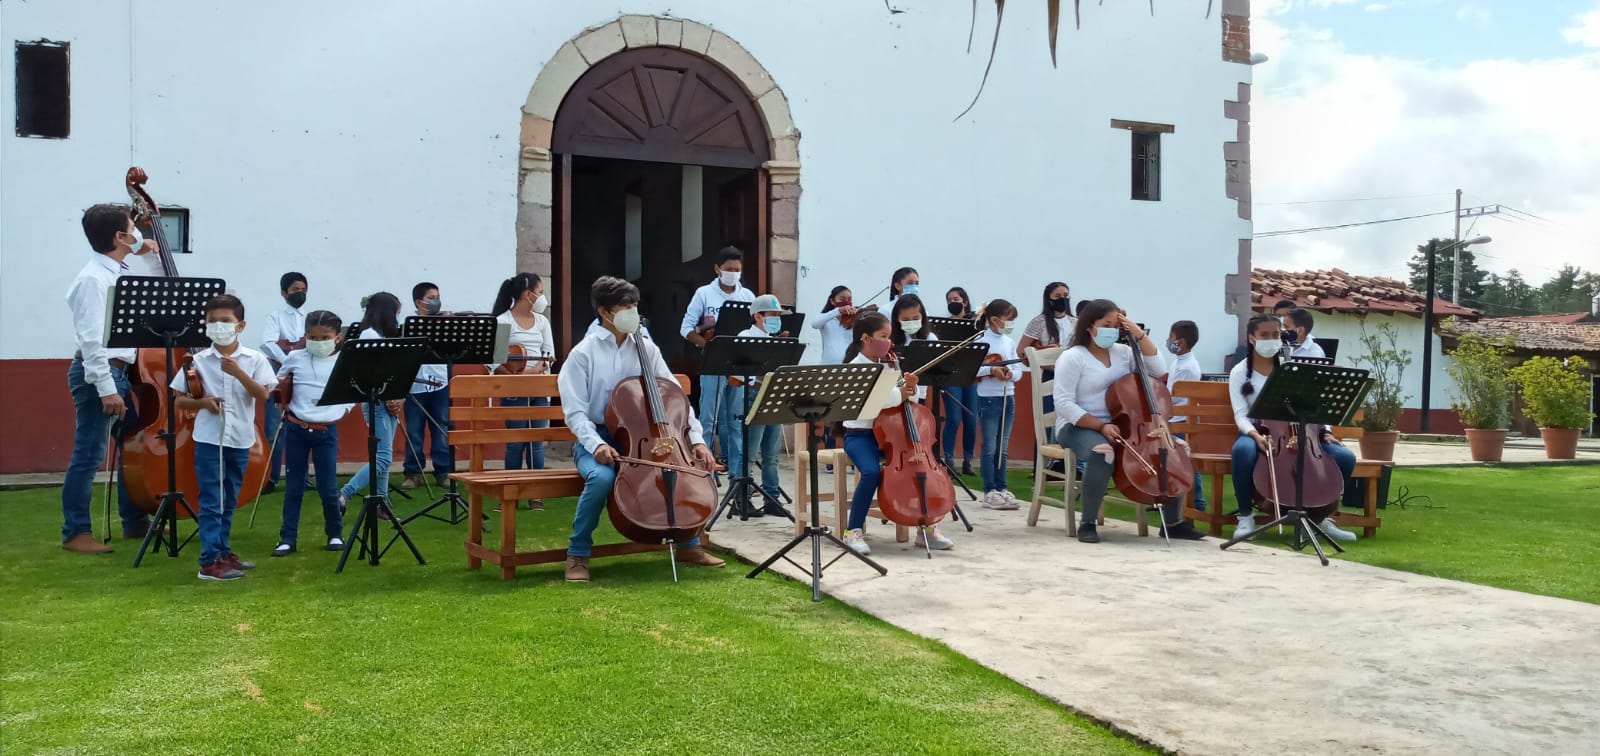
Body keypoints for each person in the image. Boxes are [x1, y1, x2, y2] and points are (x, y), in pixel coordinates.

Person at [559, 276, 726, 582]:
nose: (633, 312)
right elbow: (575, 413)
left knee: (692, 470)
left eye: (635, 305)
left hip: (649, 436)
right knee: (600, 479)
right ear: (604, 311)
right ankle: (578, 552)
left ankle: (689, 544)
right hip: (600, 437)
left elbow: (676, 397)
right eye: (626, 306)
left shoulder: (646, 348)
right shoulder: (583, 354)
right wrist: (596, 445)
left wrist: (697, 440)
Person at [1054, 299, 1206, 543]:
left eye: (1116, 325)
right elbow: (1063, 403)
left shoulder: (1124, 353)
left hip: (1125, 424)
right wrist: (1100, 425)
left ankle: (1173, 522)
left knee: (1175, 449)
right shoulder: (1073, 357)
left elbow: (1157, 369)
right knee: (1102, 452)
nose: (1112, 330)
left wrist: (1137, 334)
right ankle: (1088, 523)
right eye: (1106, 324)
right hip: (1078, 425)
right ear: (1089, 327)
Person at [60, 203, 157, 553]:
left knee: (130, 444)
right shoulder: (93, 279)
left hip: (118, 372)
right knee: (89, 453)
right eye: (135, 227)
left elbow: (162, 286)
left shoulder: (116, 271)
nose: (139, 233)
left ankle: (134, 521)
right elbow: (90, 339)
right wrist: (105, 389)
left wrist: (149, 253)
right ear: (120, 236)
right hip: (99, 374)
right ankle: (75, 533)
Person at [171, 294, 276, 580]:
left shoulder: (254, 359)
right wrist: (202, 404)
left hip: (240, 438)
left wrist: (239, 373)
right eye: (212, 321)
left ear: (240, 325)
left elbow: (263, 395)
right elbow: (179, 400)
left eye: (225, 321)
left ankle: (223, 551)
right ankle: (209, 562)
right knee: (211, 499)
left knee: (229, 498)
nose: (219, 326)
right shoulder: (197, 361)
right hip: (209, 439)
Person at [1228, 315, 1358, 541]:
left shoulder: (1292, 367)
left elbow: (1313, 406)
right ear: (1252, 338)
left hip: (1302, 433)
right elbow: (1240, 414)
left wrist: (1325, 431)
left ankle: (1320, 517)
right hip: (1259, 431)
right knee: (1243, 451)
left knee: (1345, 457)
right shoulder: (1240, 372)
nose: (1271, 340)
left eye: (1276, 335)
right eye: (1264, 335)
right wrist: (1255, 435)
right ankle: (1246, 517)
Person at [839, 311, 952, 554]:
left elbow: (909, 402)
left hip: (895, 437)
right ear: (866, 338)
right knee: (870, 473)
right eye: (884, 336)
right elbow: (876, 400)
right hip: (861, 435)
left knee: (924, 468)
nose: (889, 342)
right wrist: (899, 393)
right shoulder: (855, 368)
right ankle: (853, 531)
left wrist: (911, 387)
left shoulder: (890, 366)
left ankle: (927, 527)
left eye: (890, 337)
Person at [271, 310, 354, 557]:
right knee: (294, 486)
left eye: (324, 337)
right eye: (312, 337)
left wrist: (341, 410)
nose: (318, 342)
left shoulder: (343, 361)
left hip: (326, 431)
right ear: (305, 335)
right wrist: (281, 397)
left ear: (337, 337)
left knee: (328, 487)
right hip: (296, 427)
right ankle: (287, 538)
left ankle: (335, 533)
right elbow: (280, 381)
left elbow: (352, 392)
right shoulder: (295, 357)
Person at [679, 246, 754, 477]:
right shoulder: (704, 293)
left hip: (739, 366)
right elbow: (686, 329)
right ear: (717, 269)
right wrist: (710, 347)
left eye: (737, 269)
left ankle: (737, 475)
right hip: (712, 364)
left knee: (736, 421)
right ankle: (706, 472)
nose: (733, 273)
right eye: (728, 269)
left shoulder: (747, 296)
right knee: (709, 420)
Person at [490, 273, 556, 510]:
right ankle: (511, 492)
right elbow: (495, 361)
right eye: (539, 292)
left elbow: (549, 354)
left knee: (535, 442)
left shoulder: (542, 322)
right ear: (528, 294)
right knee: (516, 441)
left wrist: (540, 367)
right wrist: (517, 378)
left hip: (538, 389)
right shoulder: (502, 320)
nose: (541, 296)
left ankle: (536, 494)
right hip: (513, 389)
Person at [337, 292, 405, 519]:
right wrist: (390, 397)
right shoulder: (368, 335)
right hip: (376, 401)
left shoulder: (380, 334)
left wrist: (398, 397)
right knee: (383, 457)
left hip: (388, 400)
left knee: (385, 457)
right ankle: (344, 493)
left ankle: (382, 502)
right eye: (396, 312)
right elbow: (372, 373)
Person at [733, 294, 793, 517]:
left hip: (772, 396)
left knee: (771, 453)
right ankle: (741, 498)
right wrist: (758, 380)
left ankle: (772, 498)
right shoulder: (746, 336)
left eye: (778, 315)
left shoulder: (775, 338)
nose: (777, 319)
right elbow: (736, 372)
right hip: (754, 395)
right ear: (758, 315)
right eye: (773, 315)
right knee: (749, 452)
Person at [400, 281, 455, 491]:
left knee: (441, 427)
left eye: (437, 297)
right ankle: (413, 472)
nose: (436, 302)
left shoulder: (444, 323)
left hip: (440, 383)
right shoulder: (409, 324)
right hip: (415, 386)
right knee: (414, 430)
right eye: (431, 298)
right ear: (419, 301)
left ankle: (443, 471)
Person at [259, 272, 308, 494]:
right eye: (296, 289)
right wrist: (288, 359)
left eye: (303, 289)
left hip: (302, 373)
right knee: (274, 427)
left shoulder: (310, 317)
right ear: (284, 293)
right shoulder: (276, 316)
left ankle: (301, 477)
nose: (301, 293)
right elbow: (268, 343)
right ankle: (271, 476)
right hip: (278, 371)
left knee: (302, 423)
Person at [973, 299, 1023, 509]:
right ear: (994, 320)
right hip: (988, 398)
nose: (1011, 324)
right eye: (1008, 320)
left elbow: (1018, 371)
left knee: (1003, 447)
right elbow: (973, 369)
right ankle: (990, 490)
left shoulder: (1009, 343)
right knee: (990, 446)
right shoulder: (981, 340)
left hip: (1008, 398)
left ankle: (1002, 487)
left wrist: (1010, 374)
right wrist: (990, 370)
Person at [1165, 320, 1206, 512]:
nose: (1168, 340)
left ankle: (1197, 502)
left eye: (1171, 337)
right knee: (1173, 462)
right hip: (1174, 418)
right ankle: (1169, 498)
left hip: (1182, 419)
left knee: (1186, 463)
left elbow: (1178, 396)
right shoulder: (1179, 362)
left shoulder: (1188, 366)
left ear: (1180, 341)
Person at [940, 287, 979, 475]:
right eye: (949, 300)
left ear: (964, 301)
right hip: (951, 375)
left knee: (971, 419)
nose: (953, 302)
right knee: (953, 418)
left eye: (956, 299)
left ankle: (968, 460)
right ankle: (948, 459)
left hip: (971, 375)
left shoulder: (975, 322)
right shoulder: (944, 325)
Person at [1230, 299, 1295, 369]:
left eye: (1286, 316)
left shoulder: (1301, 344)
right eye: (1279, 316)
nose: (1282, 319)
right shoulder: (1245, 348)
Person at [1018, 281, 1074, 356]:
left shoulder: (1076, 322)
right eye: (1057, 296)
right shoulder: (1039, 321)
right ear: (1049, 299)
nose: (1062, 299)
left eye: (1065, 295)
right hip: (1047, 366)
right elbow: (1021, 351)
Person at [812, 285, 859, 365]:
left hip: (850, 364)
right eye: (842, 299)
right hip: (828, 365)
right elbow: (814, 324)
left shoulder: (854, 319)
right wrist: (838, 311)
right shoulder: (827, 318)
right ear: (832, 301)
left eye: (849, 299)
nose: (847, 302)